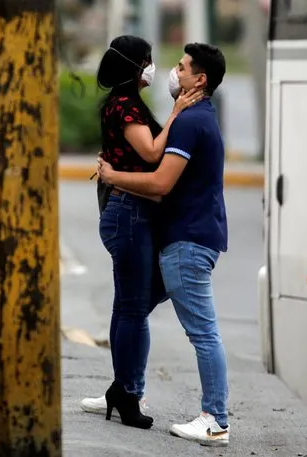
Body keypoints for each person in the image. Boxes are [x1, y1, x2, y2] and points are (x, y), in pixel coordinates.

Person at [96, 43, 231, 447]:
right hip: (184, 236)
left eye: (181, 66)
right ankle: (122, 389)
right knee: (132, 306)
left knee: (200, 331)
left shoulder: (189, 121)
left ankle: (215, 419)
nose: (172, 71)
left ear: (199, 79)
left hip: (187, 242)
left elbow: (159, 183)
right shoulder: (196, 117)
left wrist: (113, 176)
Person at [79, 35, 200, 429]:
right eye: (147, 60)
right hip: (127, 213)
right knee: (133, 308)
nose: (154, 67)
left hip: (131, 212)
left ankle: (123, 387)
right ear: (134, 66)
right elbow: (150, 153)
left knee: (131, 306)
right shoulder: (125, 104)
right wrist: (178, 112)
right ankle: (128, 393)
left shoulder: (127, 102)